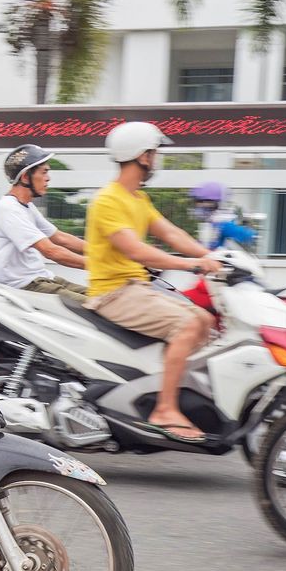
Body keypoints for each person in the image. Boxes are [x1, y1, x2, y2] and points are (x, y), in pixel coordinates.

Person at [84, 122, 220, 444]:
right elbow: (136, 249)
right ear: (143, 156)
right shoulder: (108, 200)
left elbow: (172, 234)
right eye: (155, 153)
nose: (156, 159)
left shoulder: (138, 199)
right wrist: (194, 264)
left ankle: (161, 387)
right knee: (187, 325)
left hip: (137, 289)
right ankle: (164, 408)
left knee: (205, 321)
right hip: (113, 293)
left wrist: (215, 256)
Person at [0, 143, 88, 302]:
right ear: (26, 177)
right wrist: (100, 266)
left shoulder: (26, 206)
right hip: (22, 287)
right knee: (94, 307)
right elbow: (52, 251)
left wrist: (105, 254)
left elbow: (61, 238)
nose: (48, 178)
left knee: (104, 299)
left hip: (41, 279)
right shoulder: (9, 209)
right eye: (44, 172)